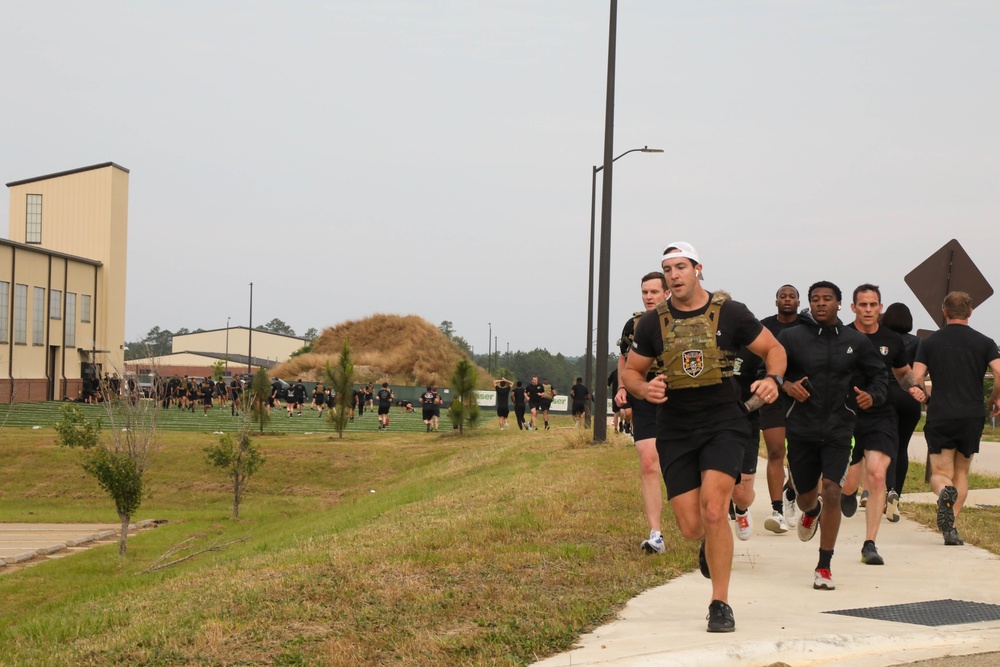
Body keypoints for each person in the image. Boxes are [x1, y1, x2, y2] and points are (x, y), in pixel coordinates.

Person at [622, 242, 785, 633]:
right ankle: (708, 543)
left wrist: (773, 378)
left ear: (698, 269)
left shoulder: (731, 312)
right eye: (668, 269)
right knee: (693, 525)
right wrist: (644, 390)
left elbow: (773, 348)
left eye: (681, 267)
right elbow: (631, 372)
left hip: (723, 423)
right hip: (675, 428)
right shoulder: (651, 324)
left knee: (715, 511)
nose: (674, 275)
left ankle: (720, 603)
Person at [777, 281, 888, 591]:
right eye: (815, 299)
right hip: (801, 428)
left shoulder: (856, 341)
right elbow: (770, 372)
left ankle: (824, 565)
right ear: (809, 304)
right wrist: (787, 386)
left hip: (840, 427)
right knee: (806, 495)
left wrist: (872, 396)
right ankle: (811, 512)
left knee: (833, 490)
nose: (821, 304)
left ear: (840, 304)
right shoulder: (791, 338)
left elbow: (880, 376)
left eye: (827, 299)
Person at [840, 285, 925, 567]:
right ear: (853, 308)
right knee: (850, 481)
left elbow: (903, 373)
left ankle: (870, 544)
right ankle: (848, 491)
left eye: (872, 305)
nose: (867, 309)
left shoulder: (892, 340)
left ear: (880, 308)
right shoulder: (841, 336)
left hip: (881, 414)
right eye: (862, 305)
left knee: (877, 475)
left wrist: (914, 387)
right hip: (847, 412)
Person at [911, 291, 1000, 546]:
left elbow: (916, 377)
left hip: (941, 413)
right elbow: (998, 371)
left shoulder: (929, 343)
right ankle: (951, 529)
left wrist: (926, 398)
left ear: (944, 312)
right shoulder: (985, 342)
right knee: (961, 470)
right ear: (970, 312)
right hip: (971, 415)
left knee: (940, 472)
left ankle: (943, 493)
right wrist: (994, 397)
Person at [616, 271, 669, 554]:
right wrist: (623, 387)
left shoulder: (682, 320)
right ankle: (656, 534)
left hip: (679, 397)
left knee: (680, 463)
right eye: (645, 292)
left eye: (654, 292)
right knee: (649, 462)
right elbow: (624, 357)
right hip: (644, 395)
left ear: (667, 292)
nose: (649, 296)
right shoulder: (634, 323)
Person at [759, 285, 802, 534]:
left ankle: (791, 491)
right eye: (783, 296)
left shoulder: (807, 326)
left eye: (792, 296)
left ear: (798, 302)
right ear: (776, 301)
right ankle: (777, 510)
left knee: (798, 454)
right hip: (772, 394)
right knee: (775, 451)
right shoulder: (764, 328)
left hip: (800, 398)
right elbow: (758, 363)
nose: (787, 299)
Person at [881, 302, 923, 499]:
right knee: (902, 446)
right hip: (909, 396)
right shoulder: (918, 342)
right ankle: (897, 492)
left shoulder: (882, 340)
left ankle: (887, 490)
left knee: (888, 446)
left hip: (886, 395)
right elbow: (918, 374)